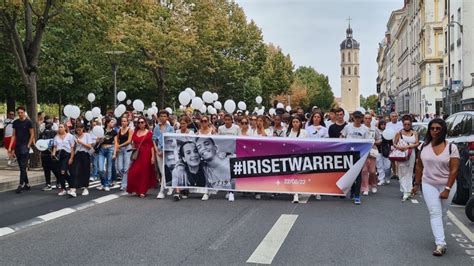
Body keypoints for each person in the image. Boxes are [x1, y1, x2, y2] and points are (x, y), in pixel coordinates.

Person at [412, 118, 459, 256]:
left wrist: (447, 189)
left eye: (438, 128)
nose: (435, 131)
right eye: (432, 128)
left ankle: (440, 237)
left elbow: (454, 170)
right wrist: (416, 184)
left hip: (447, 185)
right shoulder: (423, 147)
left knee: (443, 213)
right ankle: (440, 243)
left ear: (443, 130)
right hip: (429, 184)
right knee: (435, 212)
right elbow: (419, 166)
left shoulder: (451, 147)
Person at [340, 111, 370, 205]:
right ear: (353, 118)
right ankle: (352, 190)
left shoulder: (365, 129)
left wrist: (367, 155)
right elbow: (342, 136)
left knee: (358, 175)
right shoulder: (347, 127)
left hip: (360, 154)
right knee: (349, 174)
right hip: (348, 154)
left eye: (359, 118)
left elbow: (368, 142)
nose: (357, 119)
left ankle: (357, 195)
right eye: (355, 117)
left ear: (361, 118)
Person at [126, 117, 157, 198]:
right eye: (138, 122)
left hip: (147, 154)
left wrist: (153, 157)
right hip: (137, 154)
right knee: (133, 172)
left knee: (144, 173)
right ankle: (137, 189)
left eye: (142, 122)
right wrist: (132, 149)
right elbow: (133, 143)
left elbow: (152, 146)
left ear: (145, 123)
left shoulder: (149, 133)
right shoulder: (135, 132)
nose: (140, 124)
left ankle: (142, 190)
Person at [8, 107, 35, 193]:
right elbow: (13, 135)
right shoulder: (15, 122)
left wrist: (28, 145)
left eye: (21, 112)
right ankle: (27, 184)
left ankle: (20, 184)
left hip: (25, 146)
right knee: (21, 167)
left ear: (24, 112)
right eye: (18, 112)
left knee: (23, 166)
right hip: (17, 146)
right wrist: (10, 147)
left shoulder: (28, 122)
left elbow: (32, 134)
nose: (20, 114)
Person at [393, 115, 419, 201]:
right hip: (402, 154)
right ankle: (405, 190)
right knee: (402, 172)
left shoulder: (414, 133)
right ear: (403, 125)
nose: (407, 126)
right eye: (405, 124)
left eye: (408, 124)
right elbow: (394, 143)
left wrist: (410, 146)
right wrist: (399, 147)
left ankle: (408, 190)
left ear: (411, 124)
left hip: (411, 154)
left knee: (410, 171)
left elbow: (417, 143)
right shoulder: (399, 133)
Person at [285, 115, 308, 203]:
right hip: (290, 157)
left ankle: (297, 192)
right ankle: (295, 194)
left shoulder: (304, 132)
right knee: (293, 175)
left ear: (300, 123)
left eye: (297, 122)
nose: (295, 124)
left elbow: (308, 144)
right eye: (293, 122)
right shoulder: (287, 132)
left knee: (299, 175)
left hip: (301, 157)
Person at [153, 110, 175, 199]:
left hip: (167, 151)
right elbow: (154, 139)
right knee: (162, 172)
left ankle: (161, 191)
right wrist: (156, 151)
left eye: (165, 116)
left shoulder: (171, 128)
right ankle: (168, 186)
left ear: (167, 117)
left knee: (166, 170)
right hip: (158, 151)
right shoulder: (156, 128)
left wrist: (164, 150)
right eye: (161, 116)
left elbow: (171, 141)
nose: (163, 118)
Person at [69, 123, 93, 197]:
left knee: (85, 171)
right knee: (74, 171)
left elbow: (89, 146)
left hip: (85, 154)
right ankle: (73, 189)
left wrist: (81, 142)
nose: (78, 131)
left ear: (83, 129)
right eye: (77, 130)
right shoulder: (74, 137)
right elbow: (73, 148)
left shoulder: (87, 135)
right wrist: (71, 158)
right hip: (77, 154)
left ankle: (85, 188)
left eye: (80, 129)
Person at [51, 123, 75, 196]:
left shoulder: (70, 136)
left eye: (61, 127)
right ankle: (63, 188)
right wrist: (53, 153)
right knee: (60, 172)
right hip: (59, 155)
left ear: (65, 128)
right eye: (59, 127)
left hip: (67, 155)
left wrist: (71, 157)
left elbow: (72, 148)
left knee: (63, 171)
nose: (59, 128)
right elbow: (55, 147)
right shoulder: (56, 137)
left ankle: (72, 186)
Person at [361, 113, 381, 195]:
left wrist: (374, 142)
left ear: (371, 119)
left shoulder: (375, 129)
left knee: (372, 170)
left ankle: (373, 185)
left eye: (369, 118)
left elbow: (379, 139)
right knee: (364, 170)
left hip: (373, 150)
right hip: (363, 150)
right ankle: (365, 187)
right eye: (366, 118)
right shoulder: (361, 128)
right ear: (363, 119)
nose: (367, 120)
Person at [96, 117, 117, 192]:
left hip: (110, 149)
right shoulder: (102, 130)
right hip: (102, 149)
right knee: (101, 169)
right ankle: (103, 183)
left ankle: (107, 184)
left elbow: (116, 143)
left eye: (113, 122)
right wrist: (99, 140)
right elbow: (97, 140)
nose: (113, 123)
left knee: (109, 168)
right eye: (111, 122)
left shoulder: (114, 132)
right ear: (107, 123)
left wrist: (114, 153)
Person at [39, 120, 59, 191]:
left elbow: (56, 143)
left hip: (52, 154)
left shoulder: (54, 133)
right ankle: (48, 184)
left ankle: (58, 181)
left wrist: (55, 152)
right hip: (45, 154)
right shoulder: (42, 134)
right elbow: (39, 143)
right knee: (46, 170)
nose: (48, 125)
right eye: (47, 123)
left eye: (49, 124)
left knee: (55, 169)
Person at [115, 116, 133, 191]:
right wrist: (117, 146)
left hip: (127, 148)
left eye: (125, 121)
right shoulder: (119, 130)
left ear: (127, 122)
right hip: (120, 149)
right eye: (122, 121)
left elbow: (129, 141)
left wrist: (120, 145)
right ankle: (126, 180)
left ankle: (124, 185)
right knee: (119, 168)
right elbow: (116, 139)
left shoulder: (130, 130)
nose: (123, 123)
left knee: (126, 168)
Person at [376, 121, 392, 185]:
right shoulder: (376, 131)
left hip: (386, 150)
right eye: (381, 124)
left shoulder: (388, 132)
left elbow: (391, 142)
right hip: (378, 150)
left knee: (387, 165)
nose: (383, 126)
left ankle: (387, 177)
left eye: (384, 124)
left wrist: (391, 149)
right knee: (379, 165)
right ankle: (381, 179)